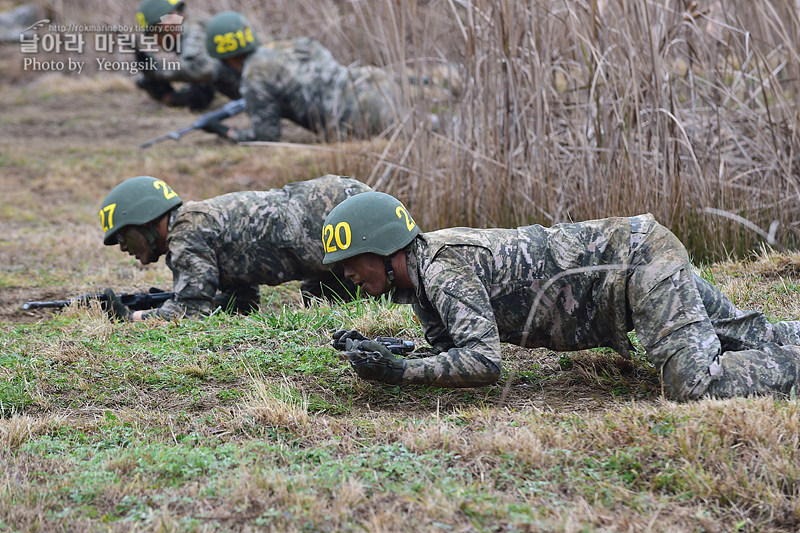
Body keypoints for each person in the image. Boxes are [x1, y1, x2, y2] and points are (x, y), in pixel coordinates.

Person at [321, 191, 800, 400]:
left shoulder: (444, 270)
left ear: (382, 248)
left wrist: (400, 373)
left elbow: (483, 363)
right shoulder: (422, 279)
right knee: (751, 339)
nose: (347, 276)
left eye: (349, 262)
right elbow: (455, 350)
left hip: (637, 263)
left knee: (693, 385)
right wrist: (388, 351)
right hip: (632, 259)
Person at [98, 174, 371, 321]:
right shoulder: (194, 222)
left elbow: (191, 312)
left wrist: (132, 316)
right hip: (334, 218)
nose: (123, 248)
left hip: (341, 211)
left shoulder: (187, 232)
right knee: (323, 305)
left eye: (124, 237)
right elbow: (243, 302)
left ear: (146, 220)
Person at [198, 11, 401, 143]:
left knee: (412, 132)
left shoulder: (254, 77)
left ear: (224, 59)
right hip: (374, 82)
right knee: (424, 127)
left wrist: (224, 131)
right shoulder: (286, 45)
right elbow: (319, 52)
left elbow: (265, 137)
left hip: (358, 118)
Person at [134, 0, 243, 110]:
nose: (156, 40)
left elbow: (200, 69)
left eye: (155, 33)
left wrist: (158, 72)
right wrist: (166, 95)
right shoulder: (189, 29)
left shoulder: (194, 29)